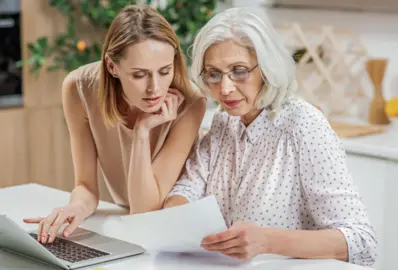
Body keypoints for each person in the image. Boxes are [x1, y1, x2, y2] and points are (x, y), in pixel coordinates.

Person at [163, 7, 377, 266]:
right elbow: (189, 185)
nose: (225, 88)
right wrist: (174, 214)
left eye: (239, 70)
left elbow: (361, 241)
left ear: (266, 67)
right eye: (214, 74)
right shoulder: (224, 120)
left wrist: (266, 240)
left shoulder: (303, 125)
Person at [23, 4, 206, 244]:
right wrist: (75, 207)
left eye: (164, 71)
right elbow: (86, 186)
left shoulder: (190, 103)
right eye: (139, 75)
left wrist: (141, 132)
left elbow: (146, 213)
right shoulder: (79, 89)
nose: (155, 88)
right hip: (126, 223)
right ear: (112, 66)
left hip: (173, 231)